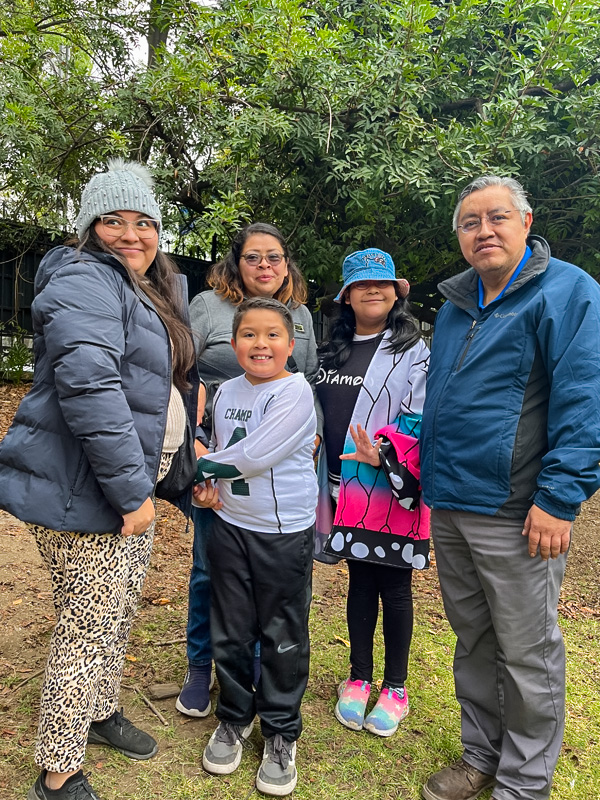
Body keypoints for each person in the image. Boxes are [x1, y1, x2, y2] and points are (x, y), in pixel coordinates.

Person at [0, 160, 197, 800]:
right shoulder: (86, 278)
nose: (131, 234)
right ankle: (58, 774)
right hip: (95, 488)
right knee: (86, 628)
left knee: (114, 612)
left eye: (144, 222)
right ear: (89, 227)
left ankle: (100, 710)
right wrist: (132, 494)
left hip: (125, 483)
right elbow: (91, 388)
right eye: (113, 220)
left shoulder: (142, 286)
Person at [420, 175, 600, 800]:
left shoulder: (567, 291)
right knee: (473, 640)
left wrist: (559, 497)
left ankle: (523, 783)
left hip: (519, 510)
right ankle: (481, 755)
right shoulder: (454, 304)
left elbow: (586, 399)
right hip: (451, 503)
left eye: (497, 217)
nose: (484, 231)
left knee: (527, 652)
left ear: (526, 222)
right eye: (470, 222)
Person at [177, 222, 321, 719]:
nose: (265, 265)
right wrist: (196, 446)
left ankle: (259, 665)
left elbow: (307, 379)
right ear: (235, 262)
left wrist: (313, 435)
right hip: (217, 453)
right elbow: (184, 372)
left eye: (274, 257)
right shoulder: (207, 306)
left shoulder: (299, 314)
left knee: (269, 581)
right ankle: (201, 665)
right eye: (253, 256)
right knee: (209, 570)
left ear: (286, 264)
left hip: (279, 457)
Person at [192, 296, 317, 796]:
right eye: (248, 334)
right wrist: (205, 487)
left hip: (282, 533)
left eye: (272, 335)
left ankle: (281, 730)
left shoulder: (295, 392)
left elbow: (252, 455)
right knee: (231, 628)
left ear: (290, 344)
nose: (260, 344)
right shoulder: (225, 392)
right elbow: (221, 451)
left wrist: (192, 469)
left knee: (282, 632)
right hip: (230, 528)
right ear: (232, 342)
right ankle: (234, 716)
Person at [315, 248, 430, 737]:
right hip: (341, 485)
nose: (373, 291)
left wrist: (382, 453)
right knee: (360, 582)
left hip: (391, 485)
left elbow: (419, 417)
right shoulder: (330, 350)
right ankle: (359, 677)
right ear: (347, 296)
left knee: (396, 587)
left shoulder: (414, 351)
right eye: (362, 285)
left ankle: (395, 687)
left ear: (395, 292)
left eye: (382, 283)